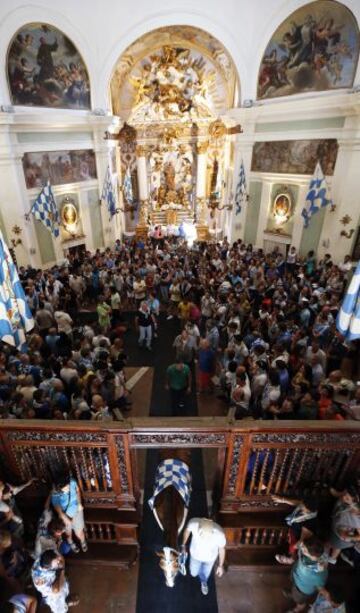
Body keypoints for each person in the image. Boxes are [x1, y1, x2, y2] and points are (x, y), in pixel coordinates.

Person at [181, 517, 226, 596]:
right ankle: (200, 574)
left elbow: (222, 549)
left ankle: (203, 582)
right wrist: (183, 545)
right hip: (195, 556)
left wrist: (220, 566)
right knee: (193, 573)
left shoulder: (220, 534)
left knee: (205, 574)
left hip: (210, 559)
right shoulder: (193, 523)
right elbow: (187, 531)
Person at [284, 536, 328, 613]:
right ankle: (293, 594)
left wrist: (326, 595)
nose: (301, 547)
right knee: (294, 590)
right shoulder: (311, 551)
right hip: (296, 576)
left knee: (299, 600)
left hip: (303, 589)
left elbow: (320, 587)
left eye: (304, 549)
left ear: (312, 556)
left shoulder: (320, 573)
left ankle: (298, 608)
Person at [51, 475, 87, 553]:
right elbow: (56, 505)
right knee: (68, 533)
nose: (68, 488)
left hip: (77, 509)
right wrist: (64, 517)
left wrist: (79, 503)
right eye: (65, 488)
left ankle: (83, 541)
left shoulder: (72, 482)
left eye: (68, 486)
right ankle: (71, 543)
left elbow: (77, 491)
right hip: (64, 514)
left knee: (79, 532)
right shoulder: (56, 490)